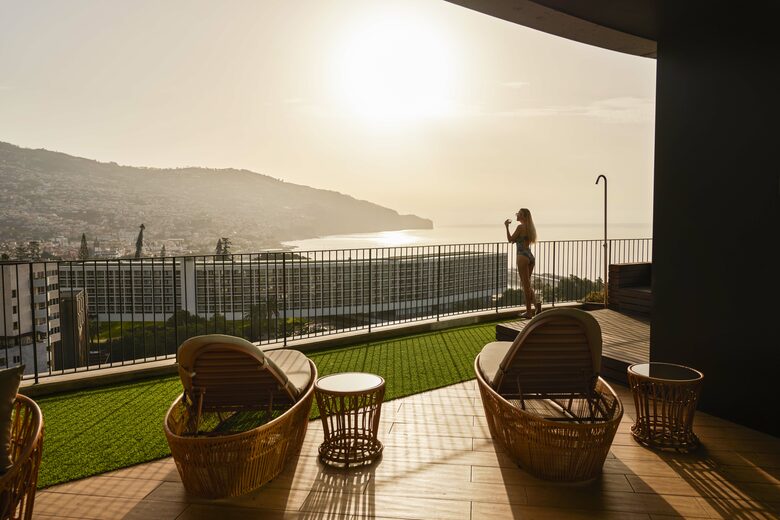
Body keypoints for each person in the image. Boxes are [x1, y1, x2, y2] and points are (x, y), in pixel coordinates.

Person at [505, 208, 537, 318]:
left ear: (522, 216)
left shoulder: (520, 227)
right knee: (526, 284)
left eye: (518, 213)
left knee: (526, 286)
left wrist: (506, 226)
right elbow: (521, 240)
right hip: (530, 256)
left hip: (522, 256)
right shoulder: (530, 228)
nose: (517, 215)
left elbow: (510, 239)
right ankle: (537, 305)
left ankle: (528, 312)